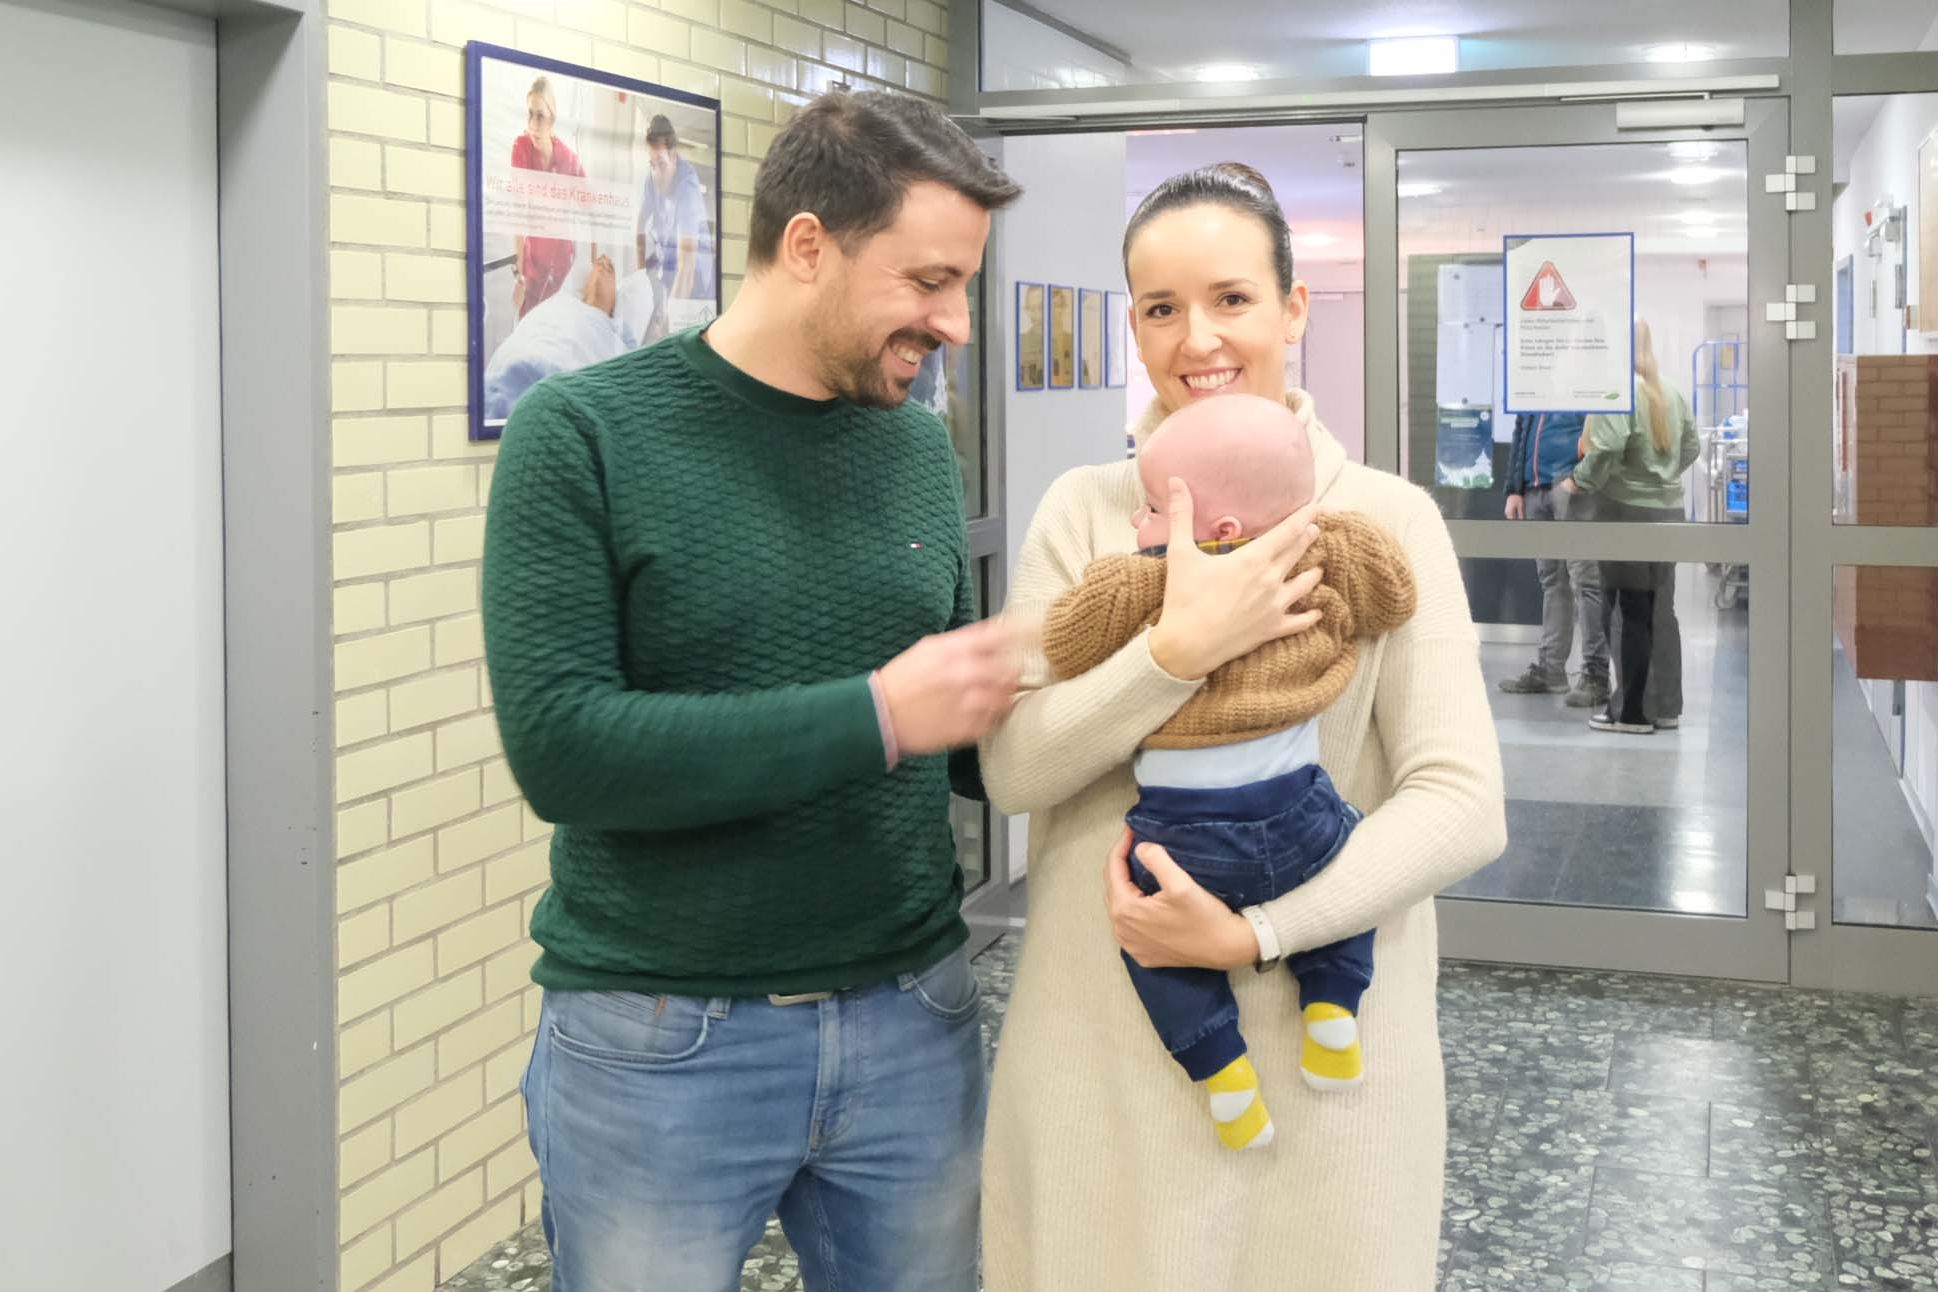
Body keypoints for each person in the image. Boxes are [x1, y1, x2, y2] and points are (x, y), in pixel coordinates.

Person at [481, 89, 1024, 1292]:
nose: (958, 323)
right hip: (658, 1041)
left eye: (965, 284)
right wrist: (877, 713)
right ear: (809, 245)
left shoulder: (916, 446)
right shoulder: (580, 434)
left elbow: (959, 734)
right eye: (930, 280)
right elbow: (565, 748)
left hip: (913, 1015)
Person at [978, 161, 1507, 1291]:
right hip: (1105, 1058)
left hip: (1334, 1071)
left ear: (1293, 308)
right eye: (1162, 309)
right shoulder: (1086, 511)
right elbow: (1015, 765)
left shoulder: (1381, 518)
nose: (1197, 340)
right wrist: (1177, 651)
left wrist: (1260, 931)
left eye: (1231, 299)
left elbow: (1462, 802)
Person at [1040, 393, 1416, 1151]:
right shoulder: (1318, 563)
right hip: (1301, 814)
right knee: (1355, 849)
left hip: (1182, 840)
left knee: (1150, 939)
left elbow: (1065, 640)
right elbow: (1394, 594)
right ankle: (1333, 1002)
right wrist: (1321, 529)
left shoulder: (1147, 585)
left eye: (1150, 509)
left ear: (1217, 530)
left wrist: (1137, 572)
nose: (1140, 525)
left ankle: (1222, 1072)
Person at [1567, 317, 1700, 735]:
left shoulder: (1616, 391)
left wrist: (1578, 481)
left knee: (1628, 613)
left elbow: (1605, 449)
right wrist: (1660, 478)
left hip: (1625, 512)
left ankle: (1630, 712)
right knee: (1661, 611)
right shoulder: (1670, 390)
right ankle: (1665, 708)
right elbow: (1692, 446)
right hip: (1667, 512)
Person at [1497, 409, 1610, 709]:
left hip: (1572, 484)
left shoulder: (1584, 369)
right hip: (1535, 489)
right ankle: (1551, 670)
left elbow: (1602, 430)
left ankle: (1597, 675)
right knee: (1552, 582)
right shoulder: (1534, 374)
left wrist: (1579, 477)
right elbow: (1522, 428)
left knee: (1586, 583)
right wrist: (1514, 489)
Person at [511, 75, 589, 318]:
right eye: (530, 114)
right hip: (533, 268)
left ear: (552, 117)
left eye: (540, 116)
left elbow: (593, 207)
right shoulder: (521, 147)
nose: (533, 124)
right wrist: (520, 277)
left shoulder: (567, 157)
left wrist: (594, 266)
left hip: (562, 267)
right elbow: (518, 213)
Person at [634, 113, 717, 336]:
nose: (656, 173)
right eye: (652, 164)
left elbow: (686, 269)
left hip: (697, 284)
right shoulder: (651, 178)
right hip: (669, 268)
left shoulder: (687, 188)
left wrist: (666, 329)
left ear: (674, 156)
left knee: (676, 335)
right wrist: (639, 282)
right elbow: (640, 227)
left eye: (661, 164)